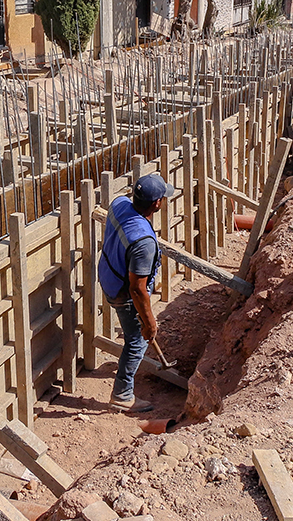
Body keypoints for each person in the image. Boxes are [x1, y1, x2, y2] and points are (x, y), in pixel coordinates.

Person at [97, 174, 175, 413]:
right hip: (123, 291)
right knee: (138, 339)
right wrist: (150, 322)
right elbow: (137, 289)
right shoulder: (143, 243)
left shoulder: (120, 203)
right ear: (157, 204)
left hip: (109, 274)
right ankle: (122, 394)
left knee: (135, 334)